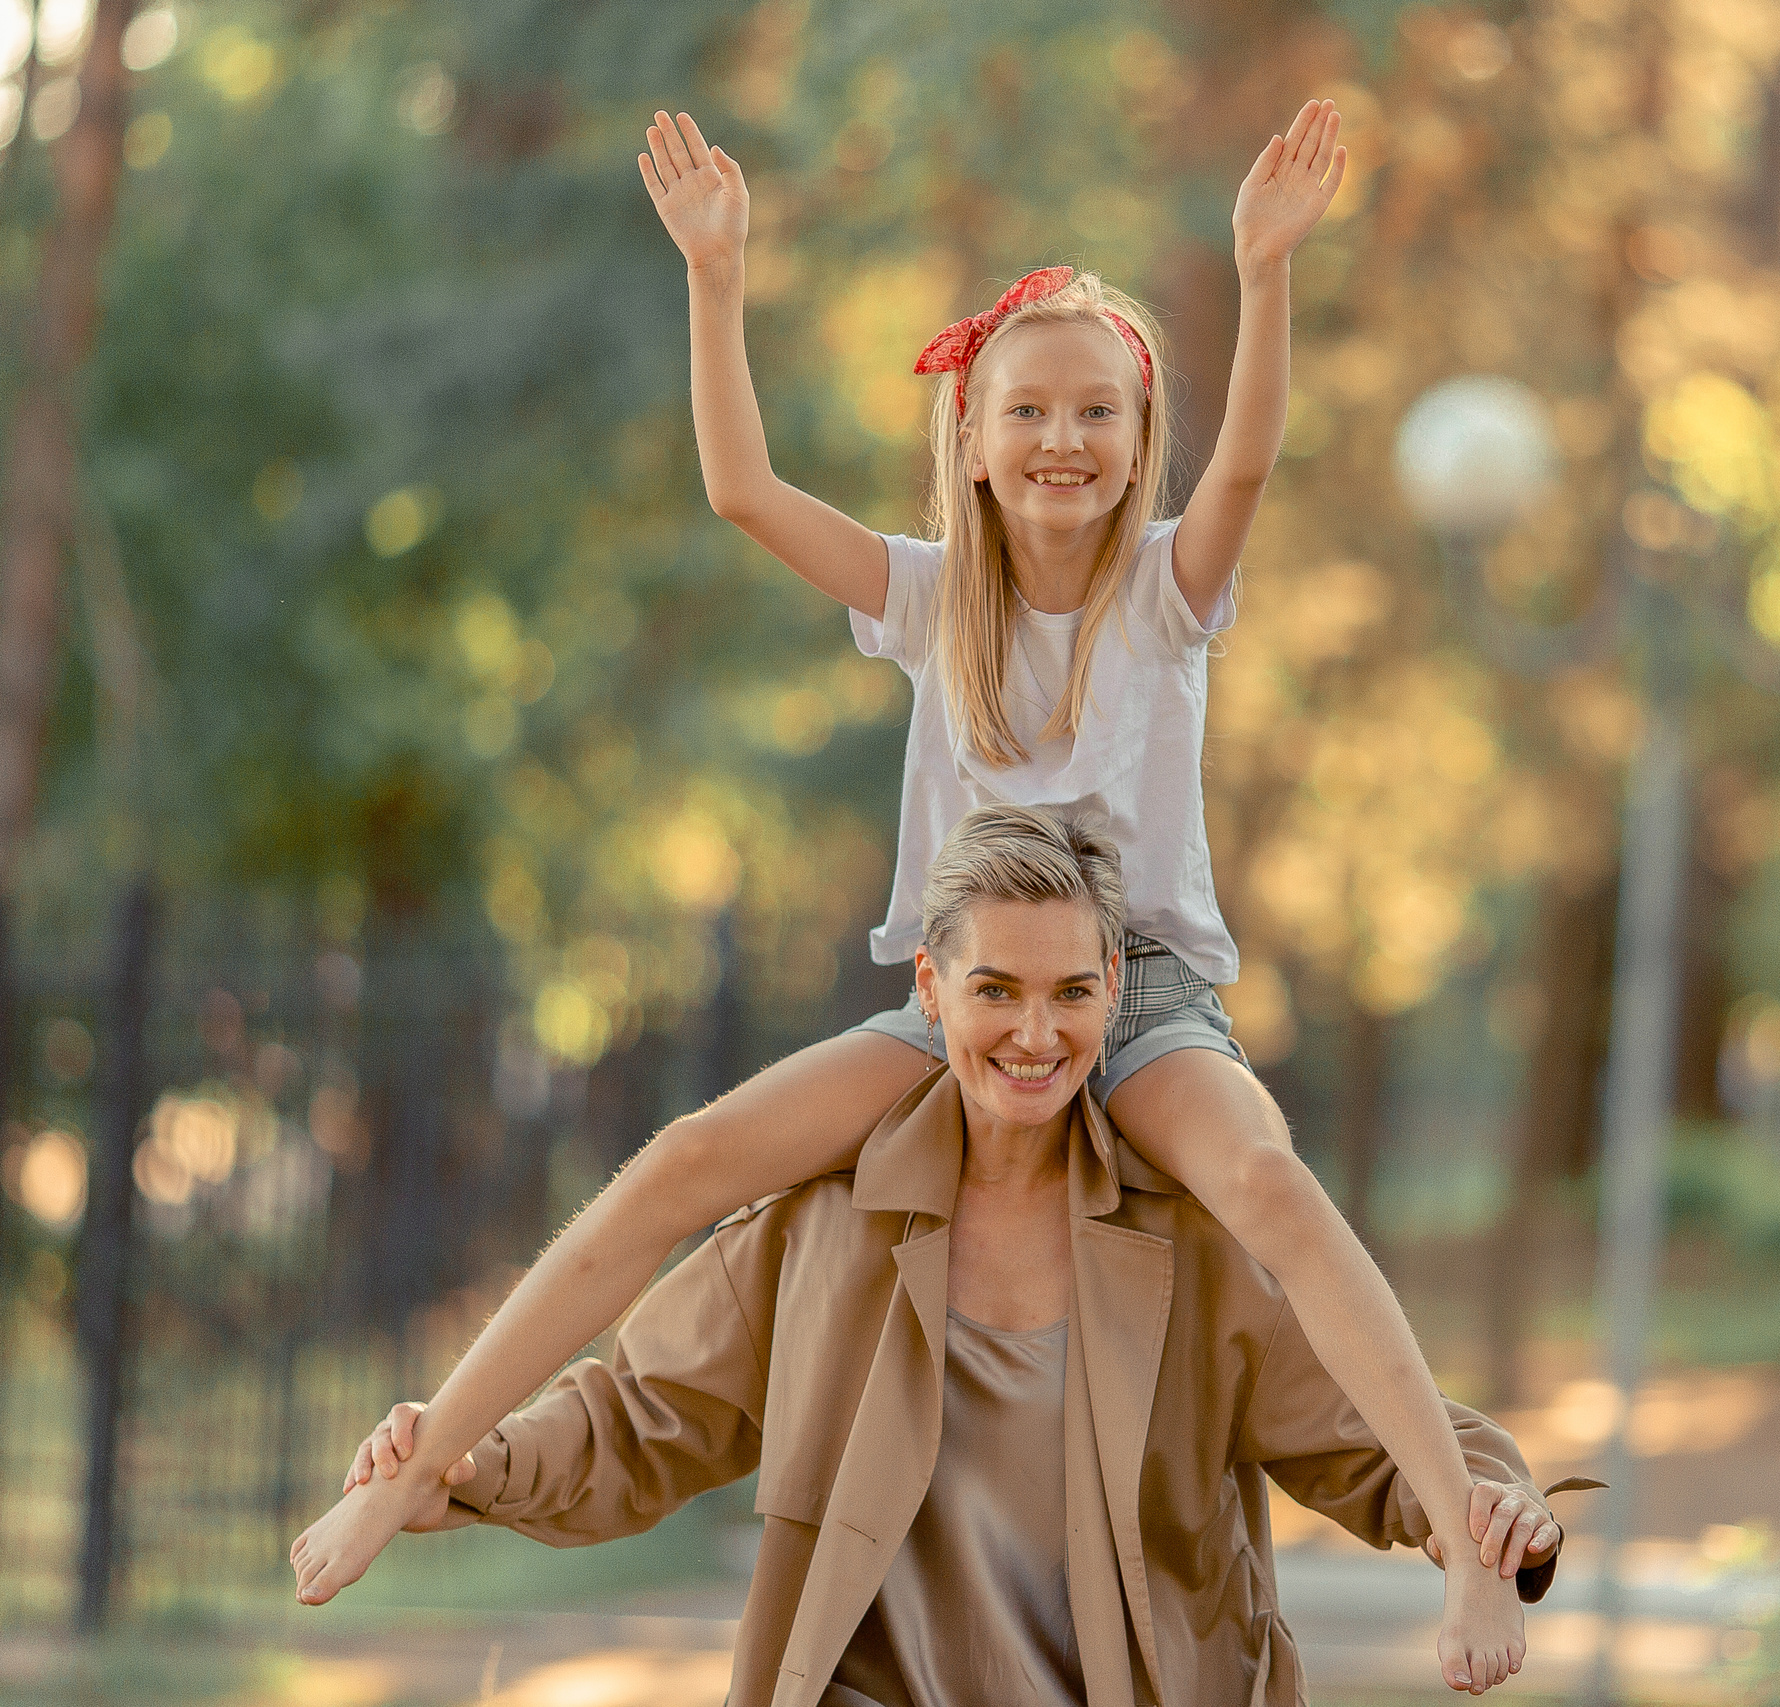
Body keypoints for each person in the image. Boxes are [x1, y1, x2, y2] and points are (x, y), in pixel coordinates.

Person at [290, 96, 1541, 1688]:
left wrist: (1264, 270)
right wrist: (717, 277)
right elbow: (743, 489)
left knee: (1268, 1185)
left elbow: (1253, 454)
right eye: (1029, 410)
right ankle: (417, 1457)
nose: (1064, 439)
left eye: (1098, 411)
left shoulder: (1170, 590)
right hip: (958, 1000)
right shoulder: (928, 594)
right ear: (972, 437)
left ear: (1139, 436)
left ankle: (1463, 1554)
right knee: (684, 1158)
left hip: (1140, 995)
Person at [352, 806, 1572, 1706]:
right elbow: (641, 1418)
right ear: (929, 990)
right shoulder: (821, 1228)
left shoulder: (1194, 1246)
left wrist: (1492, 1513)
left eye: (1071, 993)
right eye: (996, 990)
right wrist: (473, 1466)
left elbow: (1372, 1434)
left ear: (1114, 992)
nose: (1035, 1036)